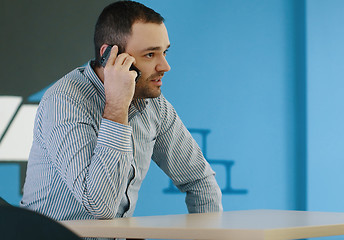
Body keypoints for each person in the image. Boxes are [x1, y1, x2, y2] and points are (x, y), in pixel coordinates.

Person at [20, 1, 222, 221]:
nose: (165, 66)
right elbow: (101, 207)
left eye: (164, 52)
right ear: (109, 56)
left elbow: (200, 181)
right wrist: (117, 107)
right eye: (150, 55)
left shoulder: (153, 104)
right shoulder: (64, 101)